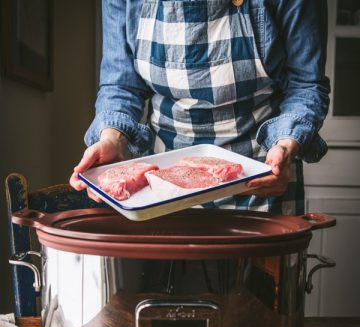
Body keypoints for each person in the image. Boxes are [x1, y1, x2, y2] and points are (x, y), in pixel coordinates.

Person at [70, 0, 330, 216]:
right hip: (160, 189)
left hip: (261, 177)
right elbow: (122, 85)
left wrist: (286, 144)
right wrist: (112, 137)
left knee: (257, 280)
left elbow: (305, 83)